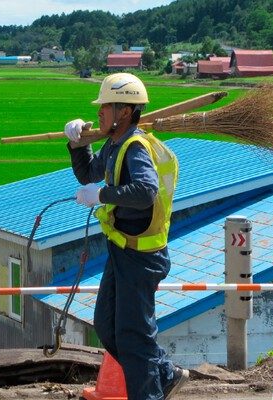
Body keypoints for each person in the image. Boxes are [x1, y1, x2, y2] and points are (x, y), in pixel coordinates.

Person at [64, 72, 186, 400]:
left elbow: (146, 191)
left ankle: (151, 391)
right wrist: (76, 144)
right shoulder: (115, 143)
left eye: (106, 105)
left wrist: (101, 196)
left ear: (125, 112)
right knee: (106, 325)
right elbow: (89, 172)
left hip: (140, 258)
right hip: (122, 251)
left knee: (133, 337)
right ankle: (163, 372)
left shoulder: (134, 147)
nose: (99, 111)